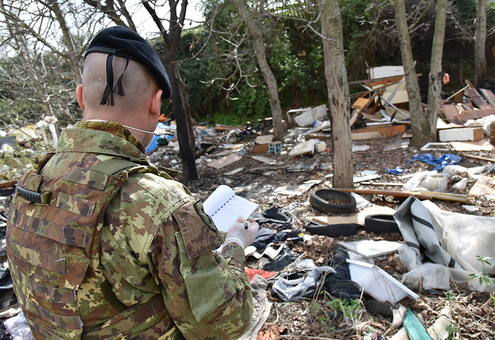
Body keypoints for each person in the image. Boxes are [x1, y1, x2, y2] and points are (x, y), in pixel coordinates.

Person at [6, 26, 259, 340]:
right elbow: (224, 324)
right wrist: (235, 244)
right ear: (156, 104)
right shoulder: (160, 202)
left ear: (81, 97)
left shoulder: (32, 181)